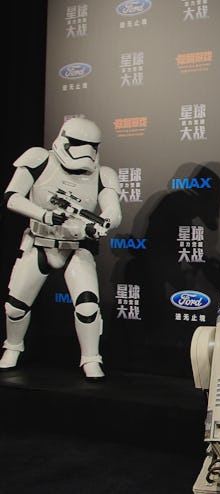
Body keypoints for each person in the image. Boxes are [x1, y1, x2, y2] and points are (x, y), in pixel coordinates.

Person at [0, 117, 122, 380]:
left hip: (76, 247)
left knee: (88, 306)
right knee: (15, 307)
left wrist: (98, 224)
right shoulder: (39, 159)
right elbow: (12, 197)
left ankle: (91, 358)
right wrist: (44, 215)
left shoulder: (103, 174)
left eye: (92, 146)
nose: (85, 152)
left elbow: (113, 211)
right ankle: (13, 346)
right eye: (78, 143)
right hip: (39, 243)